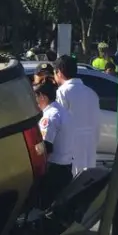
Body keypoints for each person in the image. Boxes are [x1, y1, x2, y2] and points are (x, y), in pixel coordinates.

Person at [53, 56, 99, 176]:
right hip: (89, 146)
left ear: (59, 72)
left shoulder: (62, 92)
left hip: (70, 148)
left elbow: (60, 122)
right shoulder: (91, 93)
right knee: (86, 181)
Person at [33, 81, 75, 209]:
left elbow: (46, 147)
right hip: (65, 167)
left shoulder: (50, 116)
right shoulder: (61, 111)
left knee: (46, 208)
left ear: (43, 97)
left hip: (54, 171)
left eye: (35, 97)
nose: (34, 101)